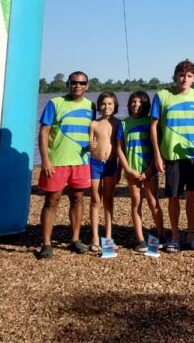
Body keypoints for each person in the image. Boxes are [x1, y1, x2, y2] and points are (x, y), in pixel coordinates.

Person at [151, 59, 194, 253]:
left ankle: (191, 235)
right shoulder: (162, 96)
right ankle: (175, 236)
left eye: (189, 75)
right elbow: (153, 127)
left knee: (193, 195)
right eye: (182, 75)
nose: (185, 79)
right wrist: (157, 155)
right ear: (175, 77)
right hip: (171, 154)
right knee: (174, 196)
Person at [36, 71, 95, 259]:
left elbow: (94, 132)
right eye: (74, 82)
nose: (77, 86)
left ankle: (75, 239)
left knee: (77, 199)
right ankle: (46, 243)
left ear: (87, 85)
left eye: (81, 83)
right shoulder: (55, 103)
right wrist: (45, 159)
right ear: (68, 84)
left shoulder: (91, 106)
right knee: (51, 201)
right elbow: (44, 132)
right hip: (57, 162)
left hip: (81, 162)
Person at [116, 91, 164, 252]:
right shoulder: (124, 124)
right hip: (132, 171)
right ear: (129, 104)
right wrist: (128, 170)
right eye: (133, 102)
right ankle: (141, 239)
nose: (136, 105)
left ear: (146, 105)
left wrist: (150, 170)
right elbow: (119, 149)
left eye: (140, 102)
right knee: (136, 203)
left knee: (153, 202)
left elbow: (157, 148)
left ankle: (160, 235)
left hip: (149, 170)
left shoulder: (151, 122)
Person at [88, 92, 121, 252]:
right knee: (95, 199)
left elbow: (120, 148)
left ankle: (108, 237)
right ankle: (95, 237)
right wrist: (89, 147)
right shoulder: (94, 124)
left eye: (110, 104)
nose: (106, 107)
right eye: (103, 104)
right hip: (95, 164)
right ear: (99, 105)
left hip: (111, 164)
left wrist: (121, 168)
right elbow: (90, 144)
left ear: (115, 106)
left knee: (108, 200)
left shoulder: (118, 124)